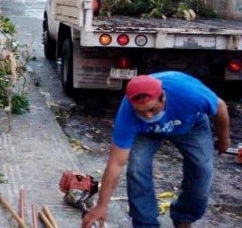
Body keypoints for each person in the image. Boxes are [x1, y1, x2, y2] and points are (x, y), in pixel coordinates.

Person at [81, 71, 231, 228]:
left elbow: (220, 107)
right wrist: (101, 206)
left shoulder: (188, 93)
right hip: (147, 132)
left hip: (191, 125)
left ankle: (184, 216)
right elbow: (116, 163)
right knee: (137, 169)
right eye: (140, 112)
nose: (147, 115)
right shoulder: (128, 113)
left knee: (202, 169)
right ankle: (145, 223)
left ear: (163, 97)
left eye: (152, 109)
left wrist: (223, 138)